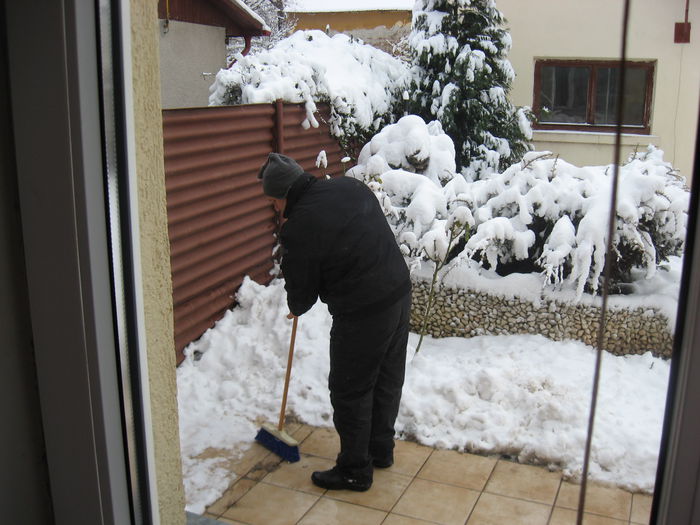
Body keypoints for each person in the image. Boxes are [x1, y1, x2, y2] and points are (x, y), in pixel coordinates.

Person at [258, 152, 412, 492]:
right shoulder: (349, 188)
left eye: (273, 201)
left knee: (350, 390)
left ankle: (355, 470)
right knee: (386, 378)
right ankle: (379, 449)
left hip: (364, 310)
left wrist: (295, 304)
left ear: (283, 194)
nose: (275, 208)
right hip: (399, 292)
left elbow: (303, 292)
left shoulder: (299, 226)